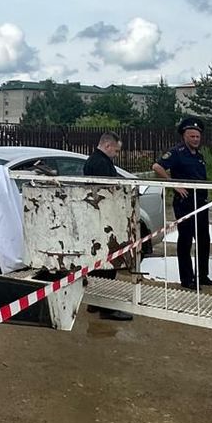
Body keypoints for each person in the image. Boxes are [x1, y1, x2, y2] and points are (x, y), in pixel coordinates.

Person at [152, 116, 212, 290]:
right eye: (192, 136)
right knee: (186, 239)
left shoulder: (199, 155)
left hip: (201, 202)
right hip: (185, 203)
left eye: (197, 136)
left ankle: (202, 275)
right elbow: (157, 167)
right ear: (184, 136)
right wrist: (174, 184)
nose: (195, 139)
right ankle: (187, 279)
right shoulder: (177, 152)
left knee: (203, 239)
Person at [83, 131, 133, 321]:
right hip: (104, 217)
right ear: (107, 146)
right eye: (116, 150)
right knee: (109, 261)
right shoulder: (101, 163)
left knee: (99, 262)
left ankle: (95, 303)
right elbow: (108, 189)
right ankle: (106, 307)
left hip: (98, 217)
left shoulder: (94, 160)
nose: (117, 154)